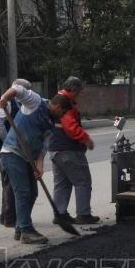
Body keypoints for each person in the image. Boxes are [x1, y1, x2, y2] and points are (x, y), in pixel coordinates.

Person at [0, 82, 72, 244]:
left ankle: (20, 227)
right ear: (58, 107)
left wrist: (39, 165)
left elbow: (44, 146)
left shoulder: (51, 123)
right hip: (12, 153)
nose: (63, 116)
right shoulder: (36, 102)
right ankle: (26, 230)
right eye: (63, 112)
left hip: (28, 158)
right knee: (23, 192)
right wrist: (5, 98)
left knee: (33, 193)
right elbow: (18, 89)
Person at [48, 76, 100, 225]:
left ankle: (60, 215)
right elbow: (70, 127)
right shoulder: (65, 103)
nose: (79, 94)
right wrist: (86, 139)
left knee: (62, 183)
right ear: (72, 90)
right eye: (78, 92)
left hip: (55, 149)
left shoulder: (57, 100)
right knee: (82, 181)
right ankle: (83, 215)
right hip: (68, 150)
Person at [0, 81, 24, 227]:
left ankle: (6, 217)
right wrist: (8, 140)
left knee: (8, 184)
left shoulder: (18, 103)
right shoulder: (9, 103)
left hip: (9, 149)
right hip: (4, 150)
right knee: (10, 184)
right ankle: (10, 218)